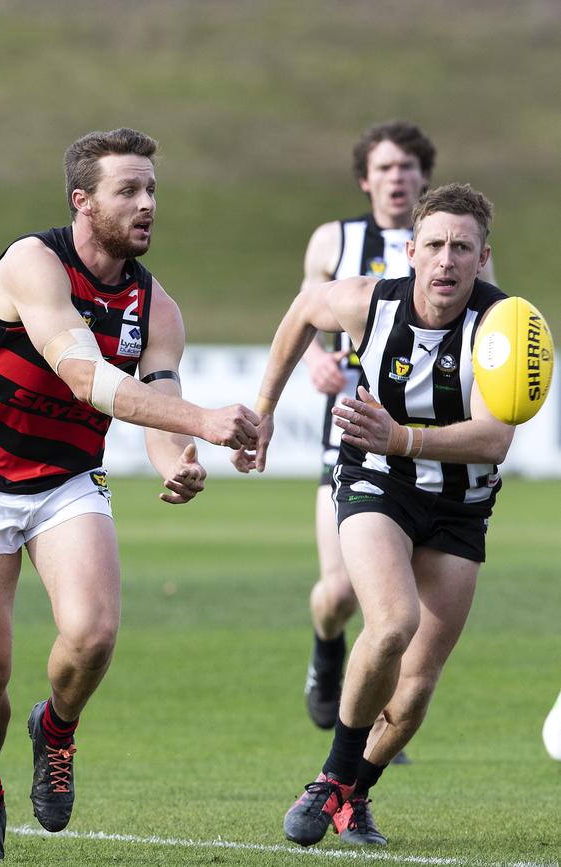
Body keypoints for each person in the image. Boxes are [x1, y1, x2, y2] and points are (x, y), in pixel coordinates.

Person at [0, 127, 259, 862]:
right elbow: (88, 378)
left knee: (94, 633)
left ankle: (56, 729)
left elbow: (155, 397)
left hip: (66, 481)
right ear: (82, 202)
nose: (147, 204)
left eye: (152, 191)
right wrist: (204, 422)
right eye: (129, 191)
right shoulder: (31, 263)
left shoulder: (157, 306)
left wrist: (178, 456)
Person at [233, 183, 514, 846]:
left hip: (460, 504)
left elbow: (494, 437)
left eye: (462, 248)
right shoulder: (370, 300)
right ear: (411, 251)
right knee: (392, 623)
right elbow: (306, 306)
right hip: (375, 480)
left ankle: (356, 794)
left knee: (415, 687)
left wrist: (404, 436)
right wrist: (265, 408)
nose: (447, 261)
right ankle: (332, 779)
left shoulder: (504, 329)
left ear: (483, 257)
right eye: (436, 245)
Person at [299, 121, 496, 736]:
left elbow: (494, 336)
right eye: (385, 168)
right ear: (365, 179)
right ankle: (328, 653)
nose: (397, 178)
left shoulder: (458, 247)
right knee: (339, 597)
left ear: (424, 180)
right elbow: (304, 313)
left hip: (438, 465)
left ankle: (373, 729)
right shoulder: (336, 241)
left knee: (399, 627)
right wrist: (317, 364)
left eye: (408, 168)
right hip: (358, 445)